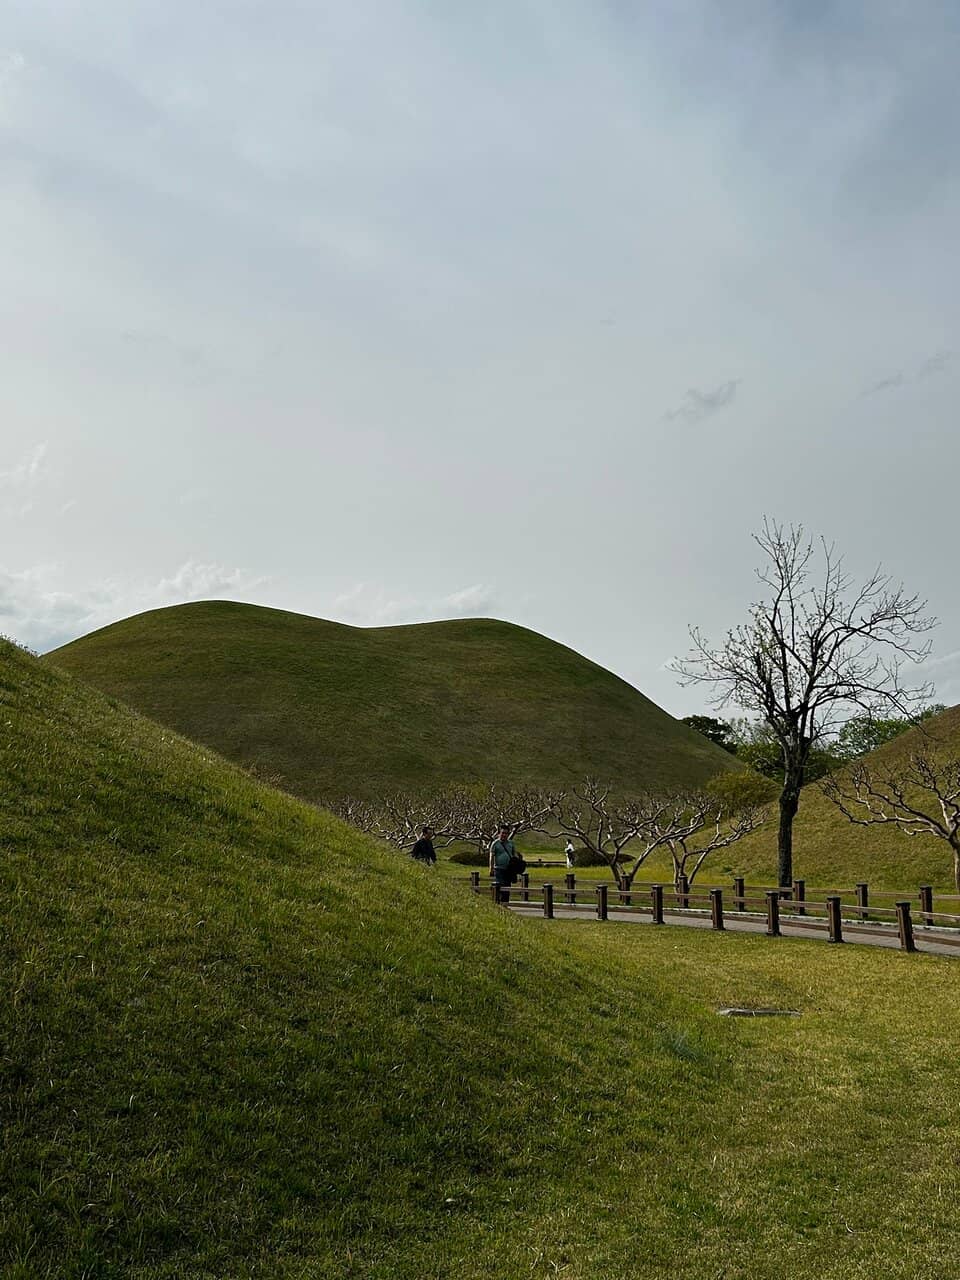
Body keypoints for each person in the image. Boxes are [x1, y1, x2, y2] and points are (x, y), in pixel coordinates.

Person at [489, 824, 516, 903]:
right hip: (499, 869)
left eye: (506, 833)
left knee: (507, 887)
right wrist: (491, 868)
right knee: (500, 887)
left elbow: (514, 855)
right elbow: (491, 856)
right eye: (502, 833)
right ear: (499, 833)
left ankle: (506, 904)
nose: (504, 835)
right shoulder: (495, 843)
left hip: (508, 870)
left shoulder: (511, 843)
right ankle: (499, 904)